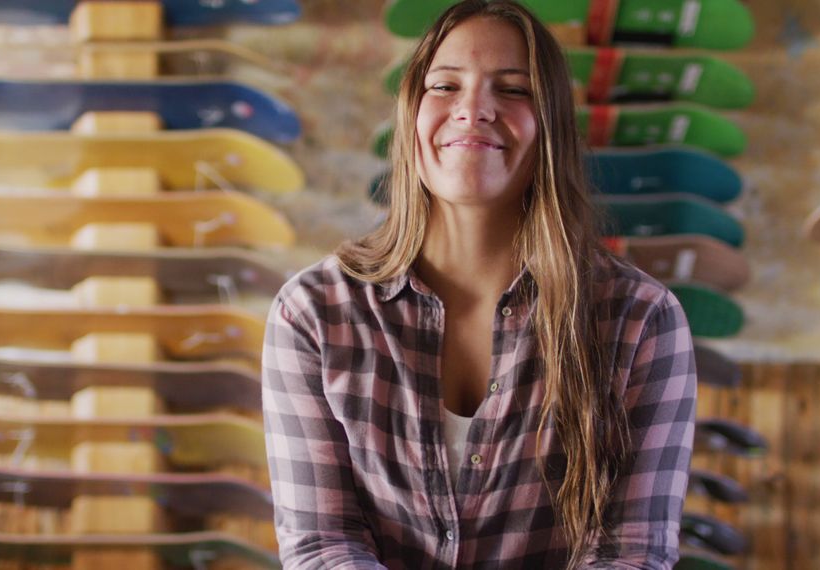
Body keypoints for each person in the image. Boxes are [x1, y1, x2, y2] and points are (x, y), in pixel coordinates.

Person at [261, 1, 696, 567]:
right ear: (411, 113)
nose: (472, 110)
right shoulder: (314, 311)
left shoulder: (640, 318)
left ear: (552, 126)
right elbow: (323, 543)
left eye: (513, 90)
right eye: (444, 86)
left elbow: (631, 552)